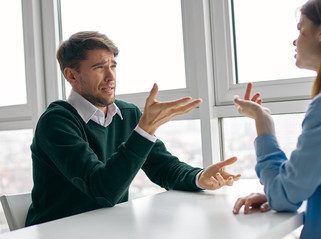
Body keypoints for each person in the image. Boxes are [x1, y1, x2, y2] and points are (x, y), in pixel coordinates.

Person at [25, 31, 241, 226]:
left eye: (113, 66)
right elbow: (103, 191)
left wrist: (200, 177)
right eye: (99, 67)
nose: (111, 77)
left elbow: (164, 168)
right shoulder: (56, 122)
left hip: (108, 228)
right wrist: (145, 129)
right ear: (71, 75)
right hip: (57, 232)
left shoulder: (127, 114)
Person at [232, 0, 321, 239]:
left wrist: (263, 124)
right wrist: (280, 191)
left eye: (301, 30)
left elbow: (284, 196)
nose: (295, 40)